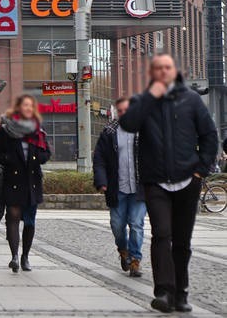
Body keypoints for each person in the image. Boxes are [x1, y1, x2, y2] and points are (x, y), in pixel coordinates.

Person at [120, 54, 218, 313]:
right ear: (153, 73)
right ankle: (163, 291)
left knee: (182, 241)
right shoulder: (143, 101)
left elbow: (209, 136)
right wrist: (151, 95)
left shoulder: (192, 100)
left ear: (175, 72)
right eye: (158, 68)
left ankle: (181, 293)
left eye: (167, 67)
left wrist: (201, 170)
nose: (163, 72)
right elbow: (128, 124)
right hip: (156, 182)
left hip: (188, 180)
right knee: (162, 234)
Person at [0, 94, 51, 273]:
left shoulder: (38, 129)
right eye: (25, 105)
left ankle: (25, 256)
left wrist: (38, 159)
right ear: (18, 107)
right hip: (13, 180)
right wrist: (9, 159)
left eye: (30, 105)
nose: (28, 108)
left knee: (29, 222)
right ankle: (14, 256)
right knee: (12, 217)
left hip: (32, 181)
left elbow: (46, 153)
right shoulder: (6, 128)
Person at [93, 96, 145, 278]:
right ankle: (123, 251)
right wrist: (101, 181)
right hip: (117, 188)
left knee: (137, 224)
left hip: (140, 188)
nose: (123, 114)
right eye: (120, 111)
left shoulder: (144, 130)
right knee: (117, 225)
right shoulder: (109, 132)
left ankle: (135, 260)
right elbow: (99, 159)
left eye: (126, 111)